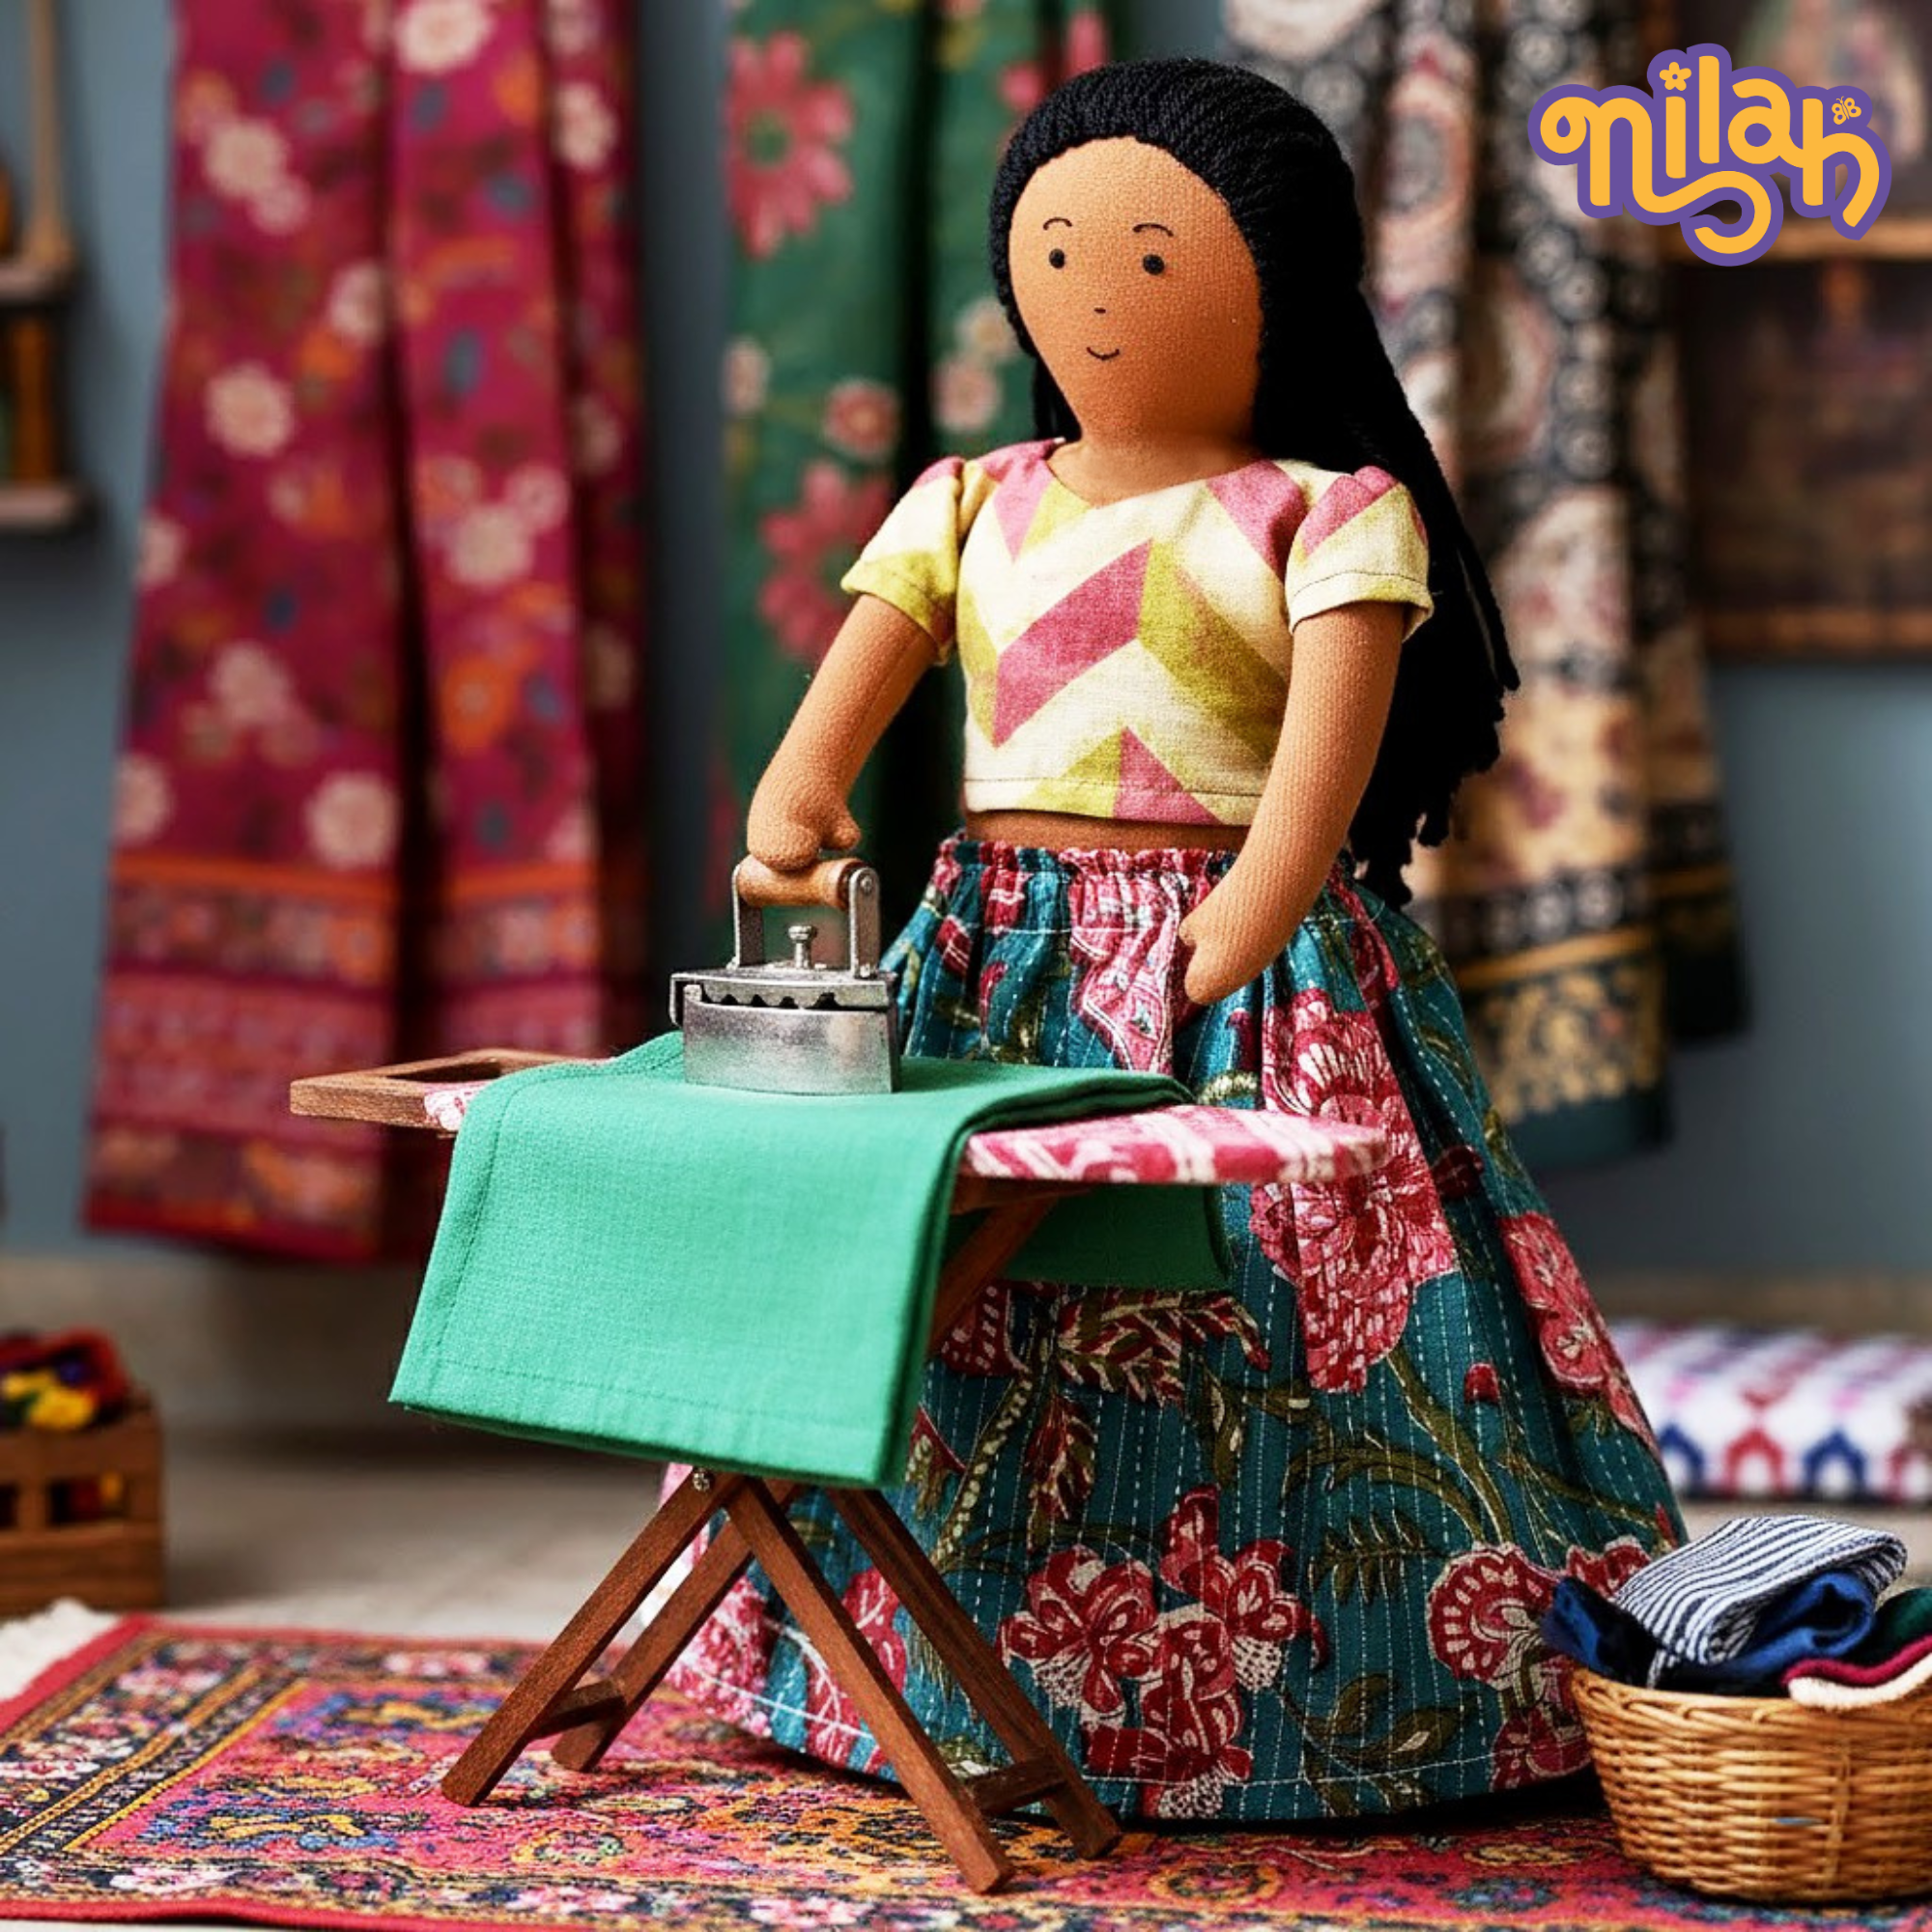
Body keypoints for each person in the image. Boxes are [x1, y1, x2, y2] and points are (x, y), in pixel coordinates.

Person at [670, 56, 1682, 1823]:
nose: (1096, 299)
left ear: (1273, 286)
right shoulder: (968, 502)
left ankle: (1325, 1701)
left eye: (1151, 261)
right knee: (962, 1289)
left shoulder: (1325, 513)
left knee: (1286, 1293)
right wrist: (794, 796)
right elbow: (845, 707)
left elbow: (1319, 765)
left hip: (1246, 967)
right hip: (988, 958)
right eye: (1057, 259)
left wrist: (1259, 906)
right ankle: (907, 1669)